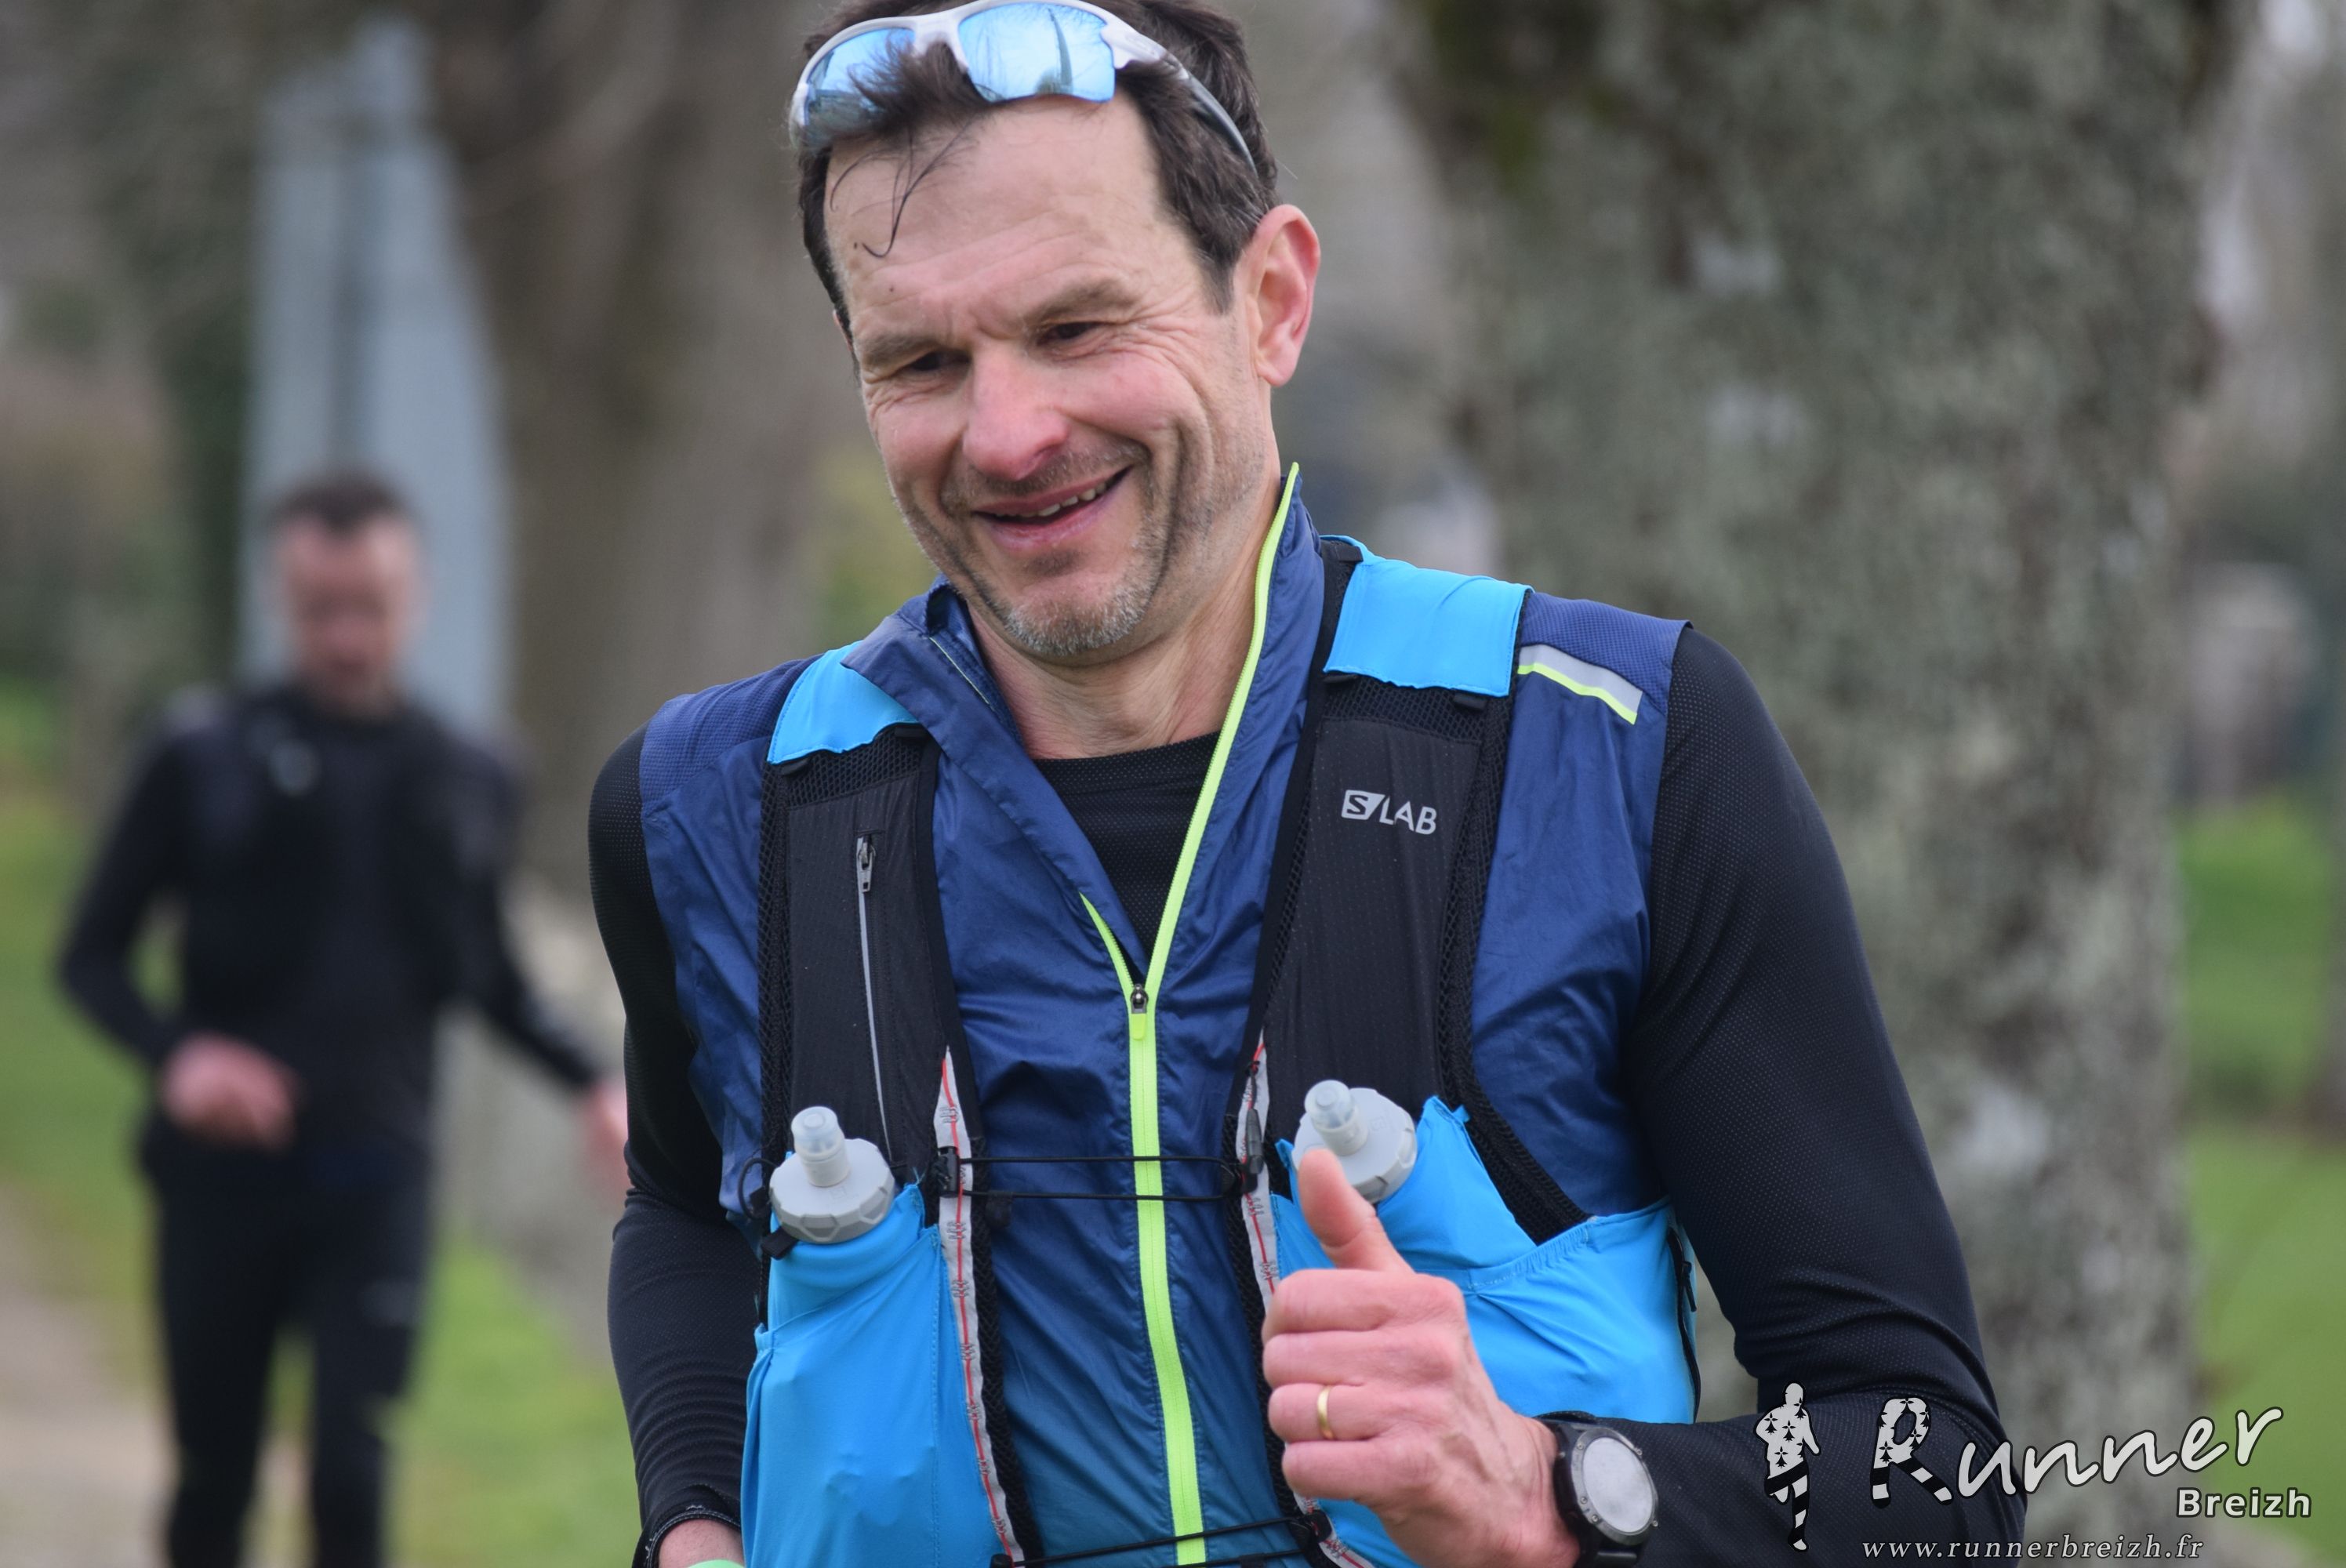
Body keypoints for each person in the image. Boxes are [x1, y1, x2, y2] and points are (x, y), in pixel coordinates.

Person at [592, 2, 2026, 1564]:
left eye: (1078, 328)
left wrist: (1545, 1494)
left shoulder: (1613, 747)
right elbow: (687, 1215)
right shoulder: (711, 808)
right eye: (924, 360)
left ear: (1269, 300)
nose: (1006, 434)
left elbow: (1936, 1477)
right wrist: (692, 1521)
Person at [57, 470, 628, 1568]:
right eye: (321, 609)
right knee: (213, 1477)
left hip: (378, 1178)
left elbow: (488, 977)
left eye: (371, 606)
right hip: (219, 1184)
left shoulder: (471, 773)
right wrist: (181, 1059)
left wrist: (594, 1085)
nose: (347, 636)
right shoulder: (201, 754)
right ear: (281, 599)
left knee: (352, 1477)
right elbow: (90, 959)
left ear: (416, 596)